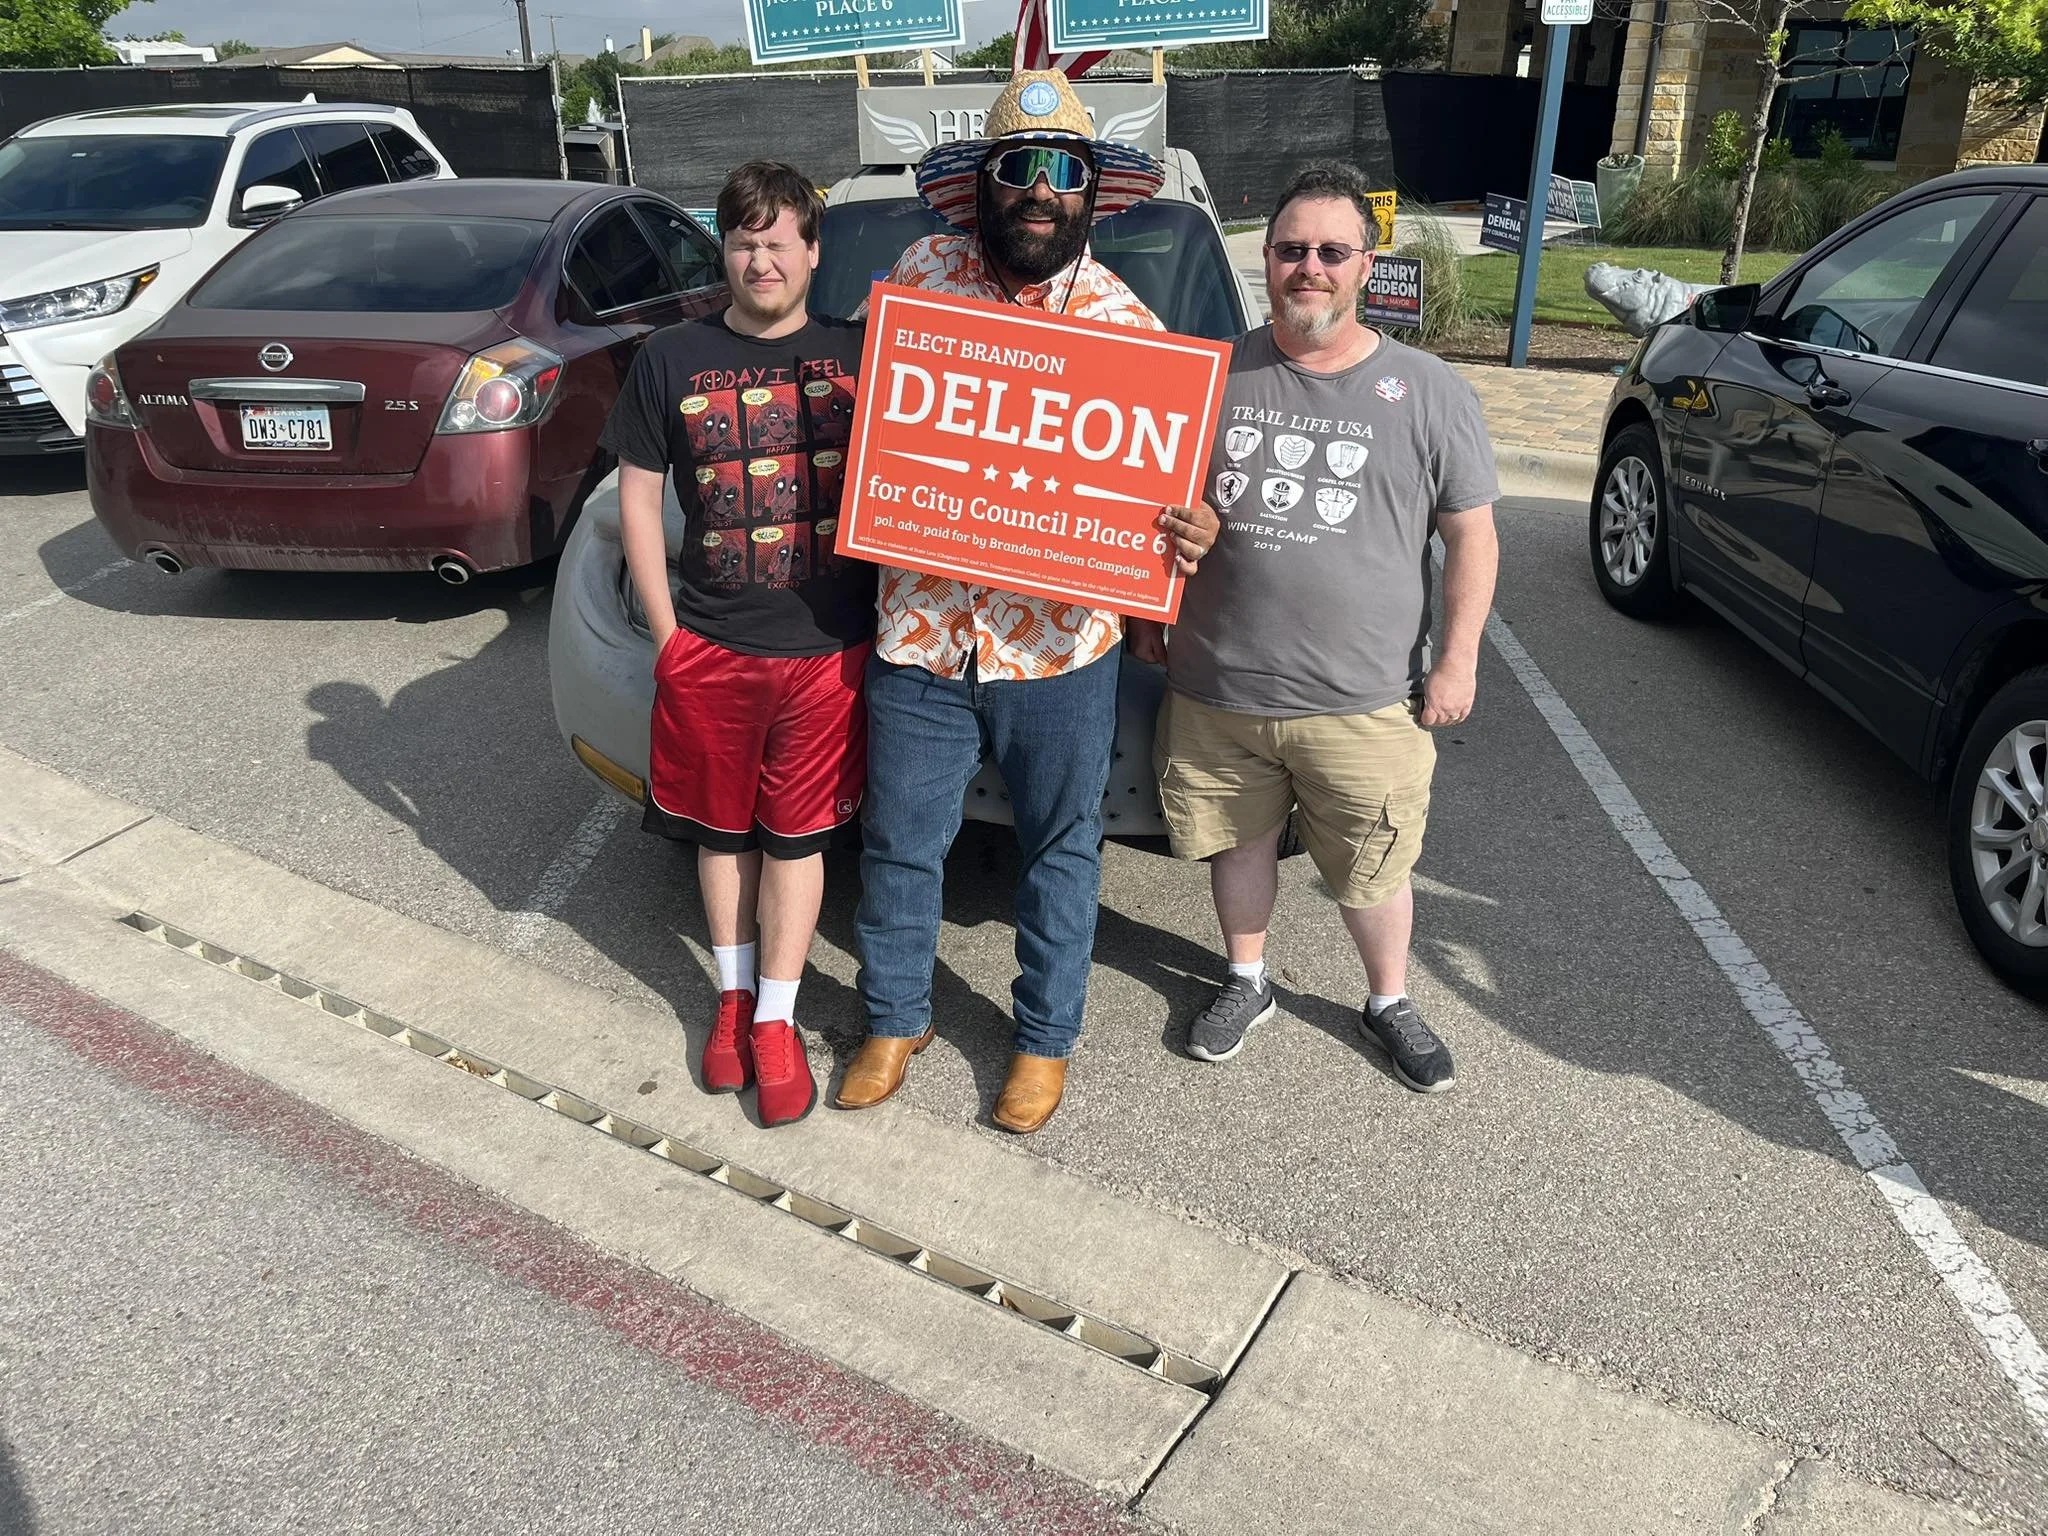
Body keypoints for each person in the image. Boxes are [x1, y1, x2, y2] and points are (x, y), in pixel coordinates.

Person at [835, 70, 1218, 1134]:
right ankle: (892, 1017)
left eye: (1064, 172)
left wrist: (1183, 529)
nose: (1040, 191)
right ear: (983, 181)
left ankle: (1043, 1043)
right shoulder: (917, 278)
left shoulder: (1126, 327)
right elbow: (886, 422)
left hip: (1058, 648)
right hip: (921, 628)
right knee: (902, 841)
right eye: (1021, 168)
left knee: (1062, 848)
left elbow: (1158, 487)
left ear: (1091, 191)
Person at [1132, 159, 1499, 1092]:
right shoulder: (1209, 375)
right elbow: (1145, 511)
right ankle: (1246, 979)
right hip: (1218, 687)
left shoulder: (1428, 390)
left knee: (1372, 864)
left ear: (1365, 266)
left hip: (1364, 698)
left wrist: (1457, 661)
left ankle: (1388, 1000)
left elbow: (1472, 538)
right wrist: (1149, 614)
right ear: (1267, 262)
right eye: (1292, 250)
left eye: (1332, 251)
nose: (1311, 268)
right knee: (1236, 842)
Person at [600, 162, 872, 1128]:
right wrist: (668, 633)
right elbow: (637, 494)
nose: (762, 259)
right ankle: (728, 997)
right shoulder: (670, 356)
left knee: (795, 839)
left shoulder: (862, 349)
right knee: (722, 832)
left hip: (830, 648)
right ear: (726, 249)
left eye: (779, 240)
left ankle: (778, 1018)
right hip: (712, 644)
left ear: (811, 250)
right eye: (744, 241)